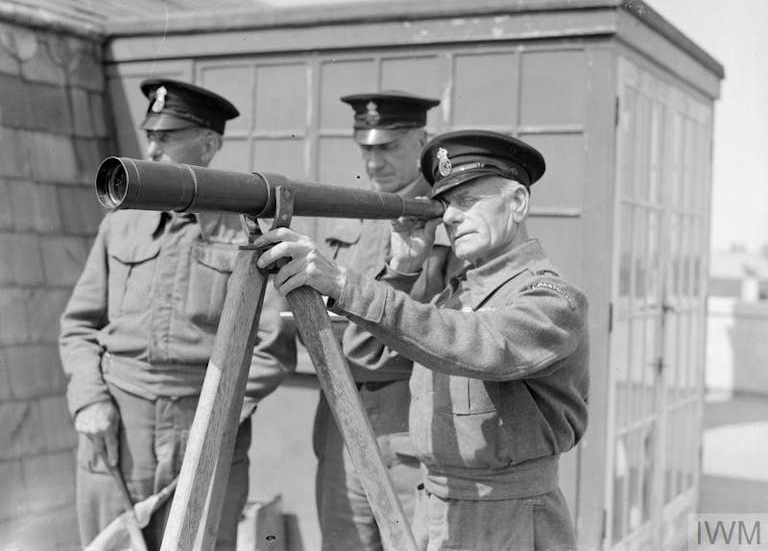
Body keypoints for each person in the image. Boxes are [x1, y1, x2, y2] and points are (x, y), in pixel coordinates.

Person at [255, 129, 590, 550]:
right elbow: (364, 354)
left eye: (468, 201)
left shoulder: (551, 299)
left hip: (510, 519)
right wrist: (402, 269)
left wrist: (343, 283)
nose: (450, 217)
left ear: (518, 203)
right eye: (447, 204)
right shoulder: (457, 294)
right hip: (437, 511)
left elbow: (481, 345)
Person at [59, 78, 296, 550]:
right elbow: (79, 325)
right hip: (116, 429)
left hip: (205, 428)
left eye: (166, 137)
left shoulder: (248, 232)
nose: (151, 148)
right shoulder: (120, 221)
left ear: (208, 145)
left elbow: (273, 345)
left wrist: (216, 417)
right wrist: (89, 402)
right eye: (151, 135)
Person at [311, 91, 456, 551]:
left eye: (388, 147)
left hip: (410, 422)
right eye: (366, 149)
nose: (374, 162)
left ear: (421, 142)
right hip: (341, 416)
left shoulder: (446, 220)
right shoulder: (349, 210)